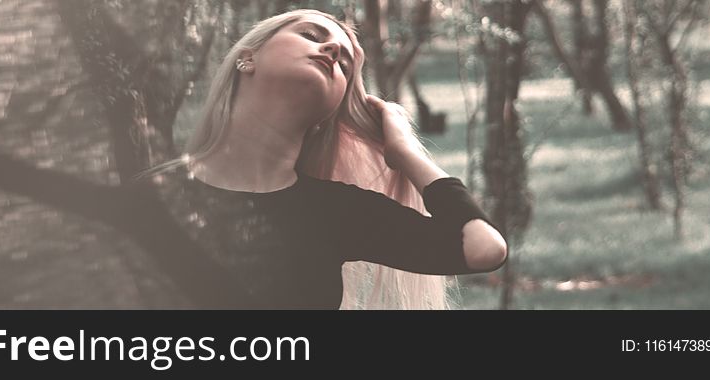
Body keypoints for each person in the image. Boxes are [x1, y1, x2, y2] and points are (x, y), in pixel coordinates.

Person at [141, 9, 507, 309]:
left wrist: (405, 151)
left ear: (333, 110)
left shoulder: (337, 212)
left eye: (346, 65)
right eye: (313, 36)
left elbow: (482, 248)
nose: (332, 50)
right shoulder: (151, 196)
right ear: (247, 58)